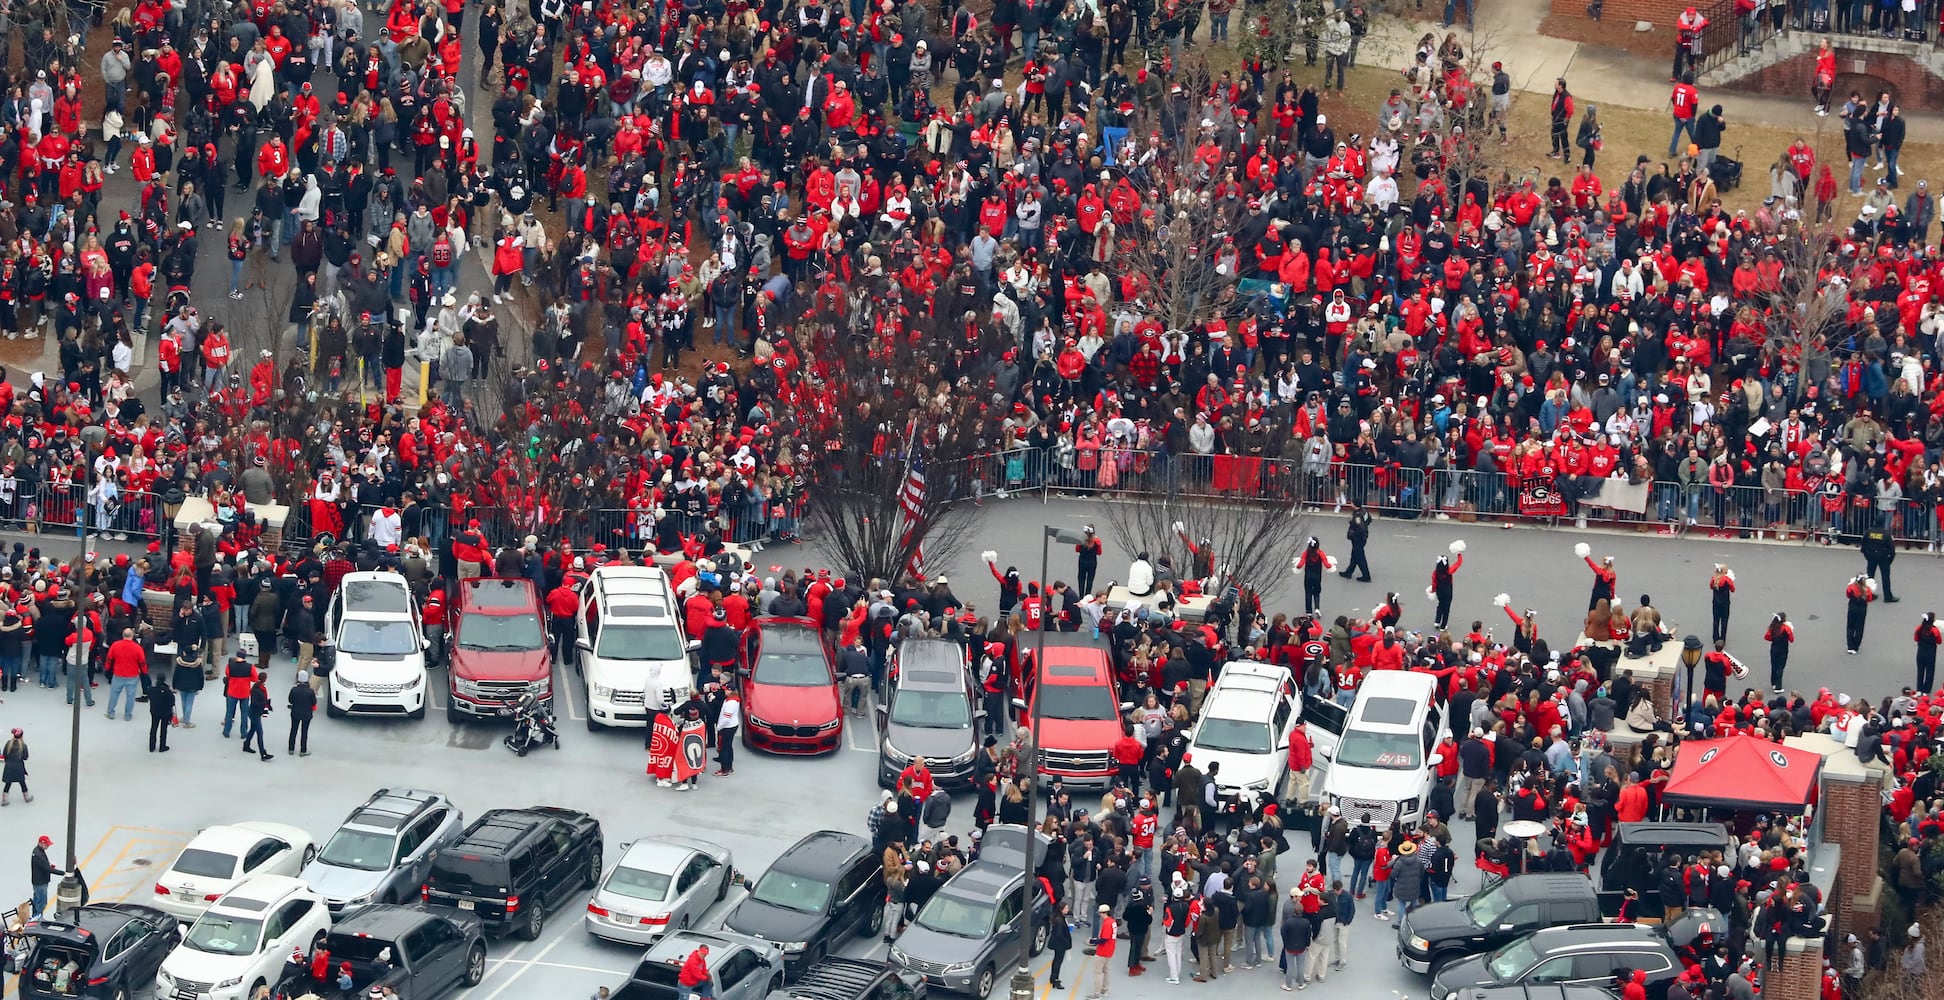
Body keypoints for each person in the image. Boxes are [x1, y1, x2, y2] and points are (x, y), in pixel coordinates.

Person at [1278, 888, 1312, 991]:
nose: (1301, 897)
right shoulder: (1306, 922)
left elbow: (1285, 932)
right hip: (1301, 946)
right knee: (1301, 966)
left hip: (1290, 945)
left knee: (1290, 966)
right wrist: (1307, 944)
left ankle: (1288, 985)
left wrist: (1287, 943)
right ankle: (1301, 984)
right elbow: (1308, 935)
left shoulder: (1289, 921)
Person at [241, 676, 274, 761]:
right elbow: (255, 702)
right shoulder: (258, 690)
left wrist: (267, 705)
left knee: (253, 729)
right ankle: (262, 753)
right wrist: (265, 703)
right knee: (260, 733)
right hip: (255, 713)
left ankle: (246, 745)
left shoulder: (258, 688)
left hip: (254, 712)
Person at [1088, 902, 1116, 998]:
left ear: (1104, 913)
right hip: (1110, 950)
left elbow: (1104, 939)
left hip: (1103, 951)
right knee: (1106, 970)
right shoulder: (1113, 922)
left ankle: (1097, 993)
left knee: (1097, 972)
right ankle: (1105, 990)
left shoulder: (1107, 923)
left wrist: (1092, 941)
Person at [1339, 504, 1372, 582]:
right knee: (1354, 556)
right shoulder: (1364, 511)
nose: (1351, 504)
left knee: (1360, 557)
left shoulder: (1357, 515)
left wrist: (1353, 533)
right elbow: (1369, 520)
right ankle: (1348, 572)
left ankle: (1366, 575)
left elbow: (1360, 527)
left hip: (1358, 539)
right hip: (1363, 537)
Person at [288, 671, 318, 756]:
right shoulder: (310, 691)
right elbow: (314, 702)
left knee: (293, 730)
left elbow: (290, 700)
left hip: (295, 712)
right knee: (304, 732)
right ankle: (303, 750)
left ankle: (291, 748)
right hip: (307, 714)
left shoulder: (294, 690)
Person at [30, 834, 61, 916]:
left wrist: (48, 866)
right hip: (41, 882)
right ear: (41, 843)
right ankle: (38, 918)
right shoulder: (39, 855)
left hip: (37, 881)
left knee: (36, 900)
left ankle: (34, 916)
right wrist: (62, 873)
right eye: (46, 844)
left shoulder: (37, 851)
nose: (48, 846)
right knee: (41, 902)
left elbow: (43, 866)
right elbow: (47, 869)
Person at [1845, 574, 1876, 654]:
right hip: (1862, 608)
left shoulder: (1851, 587)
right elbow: (1869, 598)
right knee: (1859, 628)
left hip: (1852, 607)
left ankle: (1850, 646)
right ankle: (1855, 646)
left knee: (1850, 626)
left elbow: (1848, 594)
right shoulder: (1867, 589)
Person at [1047, 900, 1074, 990]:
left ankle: (1052, 977)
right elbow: (1059, 934)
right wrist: (1066, 942)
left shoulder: (1058, 918)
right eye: (1066, 908)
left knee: (1056, 960)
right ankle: (1055, 979)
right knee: (1058, 961)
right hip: (1060, 945)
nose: (1067, 909)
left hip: (1057, 943)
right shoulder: (1060, 920)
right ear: (1061, 909)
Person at [1764, 613, 1794, 689]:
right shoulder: (1786, 628)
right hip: (1783, 650)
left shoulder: (1772, 628)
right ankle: (1778, 686)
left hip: (1774, 649)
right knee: (1780, 667)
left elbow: (1767, 637)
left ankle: (1773, 682)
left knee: (1774, 666)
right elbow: (1791, 640)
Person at [714, 689, 740, 775]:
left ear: (731, 691)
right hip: (733, 725)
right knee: (728, 747)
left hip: (727, 728)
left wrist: (719, 727)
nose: (725, 691)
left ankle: (724, 770)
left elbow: (726, 718)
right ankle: (729, 767)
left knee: (723, 749)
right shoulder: (735, 700)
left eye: (727, 690)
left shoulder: (729, 703)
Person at [3, 727, 30, 804]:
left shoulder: (8, 743)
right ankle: (27, 797)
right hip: (19, 767)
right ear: (21, 736)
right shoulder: (23, 745)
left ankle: (4, 800)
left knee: (8, 783)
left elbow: (5, 754)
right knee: (22, 782)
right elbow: (25, 757)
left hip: (9, 767)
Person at [148, 679, 176, 752]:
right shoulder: (168, 691)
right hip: (165, 713)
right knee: (163, 729)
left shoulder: (151, 690)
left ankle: (152, 746)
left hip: (154, 711)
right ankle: (162, 746)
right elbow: (172, 702)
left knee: (153, 728)